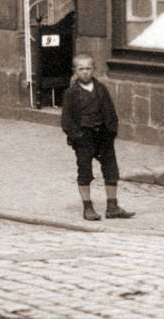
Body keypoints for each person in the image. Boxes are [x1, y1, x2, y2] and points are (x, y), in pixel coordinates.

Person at [59, 53, 135, 221]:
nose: (85, 72)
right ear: (75, 71)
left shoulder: (101, 89)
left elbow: (110, 111)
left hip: (103, 135)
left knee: (111, 169)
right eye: (81, 69)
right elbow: (66, 120)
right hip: (84, 137)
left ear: (94, 69)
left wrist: (111, 130)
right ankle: (88, 208)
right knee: (85, 171)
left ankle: (112, 206)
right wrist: (77, 136)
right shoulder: (71, 93)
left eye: (88, 68)